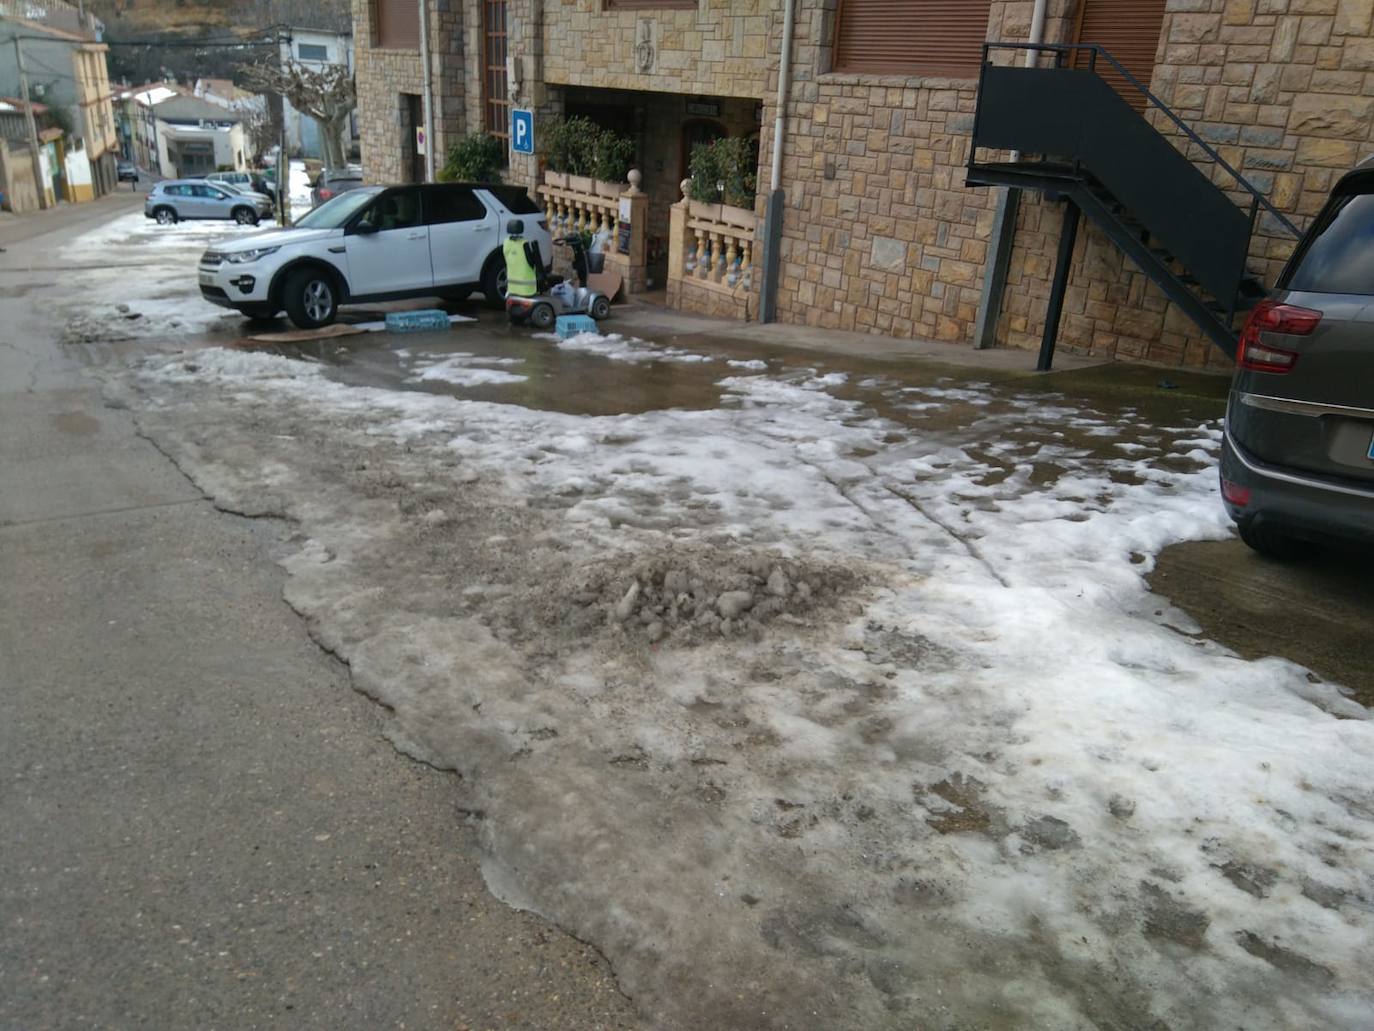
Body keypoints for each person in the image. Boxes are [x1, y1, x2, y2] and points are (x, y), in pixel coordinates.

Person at [502, 219, 543, 299]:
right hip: (527, 289)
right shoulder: (524, 244)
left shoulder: (506, 243)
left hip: (512, 289)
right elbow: (532, 262)